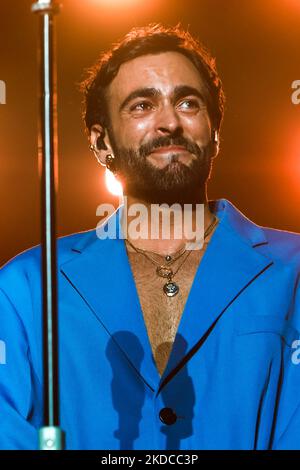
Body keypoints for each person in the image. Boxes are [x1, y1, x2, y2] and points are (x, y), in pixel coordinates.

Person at [0, 24, 300, 450]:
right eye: (141, 106)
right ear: (101, 142)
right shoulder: (27, 286)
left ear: (215, 132)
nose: (169, 122)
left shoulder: (294, 269)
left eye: (188, 102)